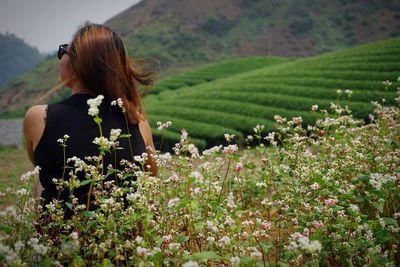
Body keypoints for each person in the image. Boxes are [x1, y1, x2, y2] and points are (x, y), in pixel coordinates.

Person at [23, 23, 158, 214]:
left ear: (77, 67)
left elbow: (39, 167)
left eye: (64, 51)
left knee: (39, 178)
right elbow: (151, 178)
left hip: (60, 239)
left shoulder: (38, 117)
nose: (60, 57)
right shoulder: (137, 121)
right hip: (122, 236)